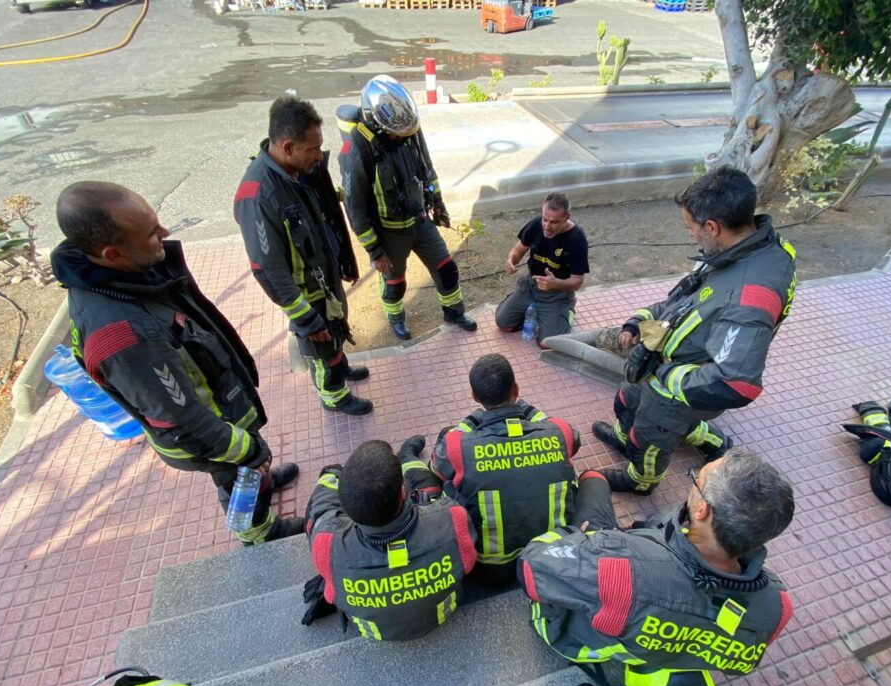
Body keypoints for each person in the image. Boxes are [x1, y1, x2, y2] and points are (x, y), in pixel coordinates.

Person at [52, 182, 301, 545]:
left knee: (246, 467)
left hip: (217, 403)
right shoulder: (124, 336)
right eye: (151, 233)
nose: (165, 233)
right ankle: (259, 532)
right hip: (207, 430)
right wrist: (250, 452)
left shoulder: (122, 275)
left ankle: (258, 477)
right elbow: (186, 421)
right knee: (236, 473)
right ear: (113, 253)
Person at [520, 448, 795, 686]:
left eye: (697, 479)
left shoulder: (617, 568)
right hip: (657, 647)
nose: (693, 481)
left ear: (702, 510)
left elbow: (531, 568)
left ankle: (591, 481)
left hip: (578, 639)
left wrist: (571, 536)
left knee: (594, 485)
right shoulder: (778, 606)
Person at [591, 166, 797, 494]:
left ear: (713, 227)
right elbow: (687, 301)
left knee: (651, 435)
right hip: (664, 364)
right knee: (627, 401)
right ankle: (630, 437)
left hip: (679, 386)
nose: (690, 234)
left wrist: (666, 376)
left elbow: (737, 382)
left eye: (691, 227)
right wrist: (639, 322)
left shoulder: (749, 293)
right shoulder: (746, 249)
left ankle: (641, 480)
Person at [234, 96, 372, 416]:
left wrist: (342, 262)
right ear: (288, 147)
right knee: (320, 343)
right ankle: (334, 395)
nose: (319, 155)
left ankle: (339, 365)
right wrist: (306, 320)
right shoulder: (259, 195)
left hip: (323, 277)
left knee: (334, 332)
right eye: (313, 149)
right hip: (306, 295)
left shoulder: (296, 173)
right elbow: (268, 269)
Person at [339, 74, 477, 341]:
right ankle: (396, 319)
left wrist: (438, 203)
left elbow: (427, 168)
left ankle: (454, 313)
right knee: (395, 283)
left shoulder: (409, 131)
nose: (403, 136)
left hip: (419, 221)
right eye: (397, 133)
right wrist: (375, 251)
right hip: (389, 232)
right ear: (377, 123)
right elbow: (355, 208)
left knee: (446, 269)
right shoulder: (357, 148)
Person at [303, 439, 479, 641]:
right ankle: (407, 457)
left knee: (324, 494)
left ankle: (336, 473)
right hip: (442, 614)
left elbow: (320, 511)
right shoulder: (453, 520)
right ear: (403, 491)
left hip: (375, 633)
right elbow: (469, 562)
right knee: (426, 487)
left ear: (346, 509)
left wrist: (332, 473)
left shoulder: (327, 547)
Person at [429, 353, 582, 585]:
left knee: (443, 476)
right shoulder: (560, 431)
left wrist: (475, 419)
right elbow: (568, 437)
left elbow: (438, 471)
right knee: (592, 478)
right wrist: (523, 409)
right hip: (552, 557)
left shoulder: (457, 445)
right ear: (516, 389)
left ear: (474, 396)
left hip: (492, 570)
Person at [495, 193, 589, 345]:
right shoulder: (535, 224)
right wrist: (511, 260)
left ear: (566, 217)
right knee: (504, 324)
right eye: (545, 219)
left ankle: (567, 311)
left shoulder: (577, 239)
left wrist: (555, 283)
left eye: (554, 222)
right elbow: (518, 250)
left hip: (557, 295)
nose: (547, 226)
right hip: (530, 286)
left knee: (547, 343)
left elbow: (577, 281)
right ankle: (534, 311)